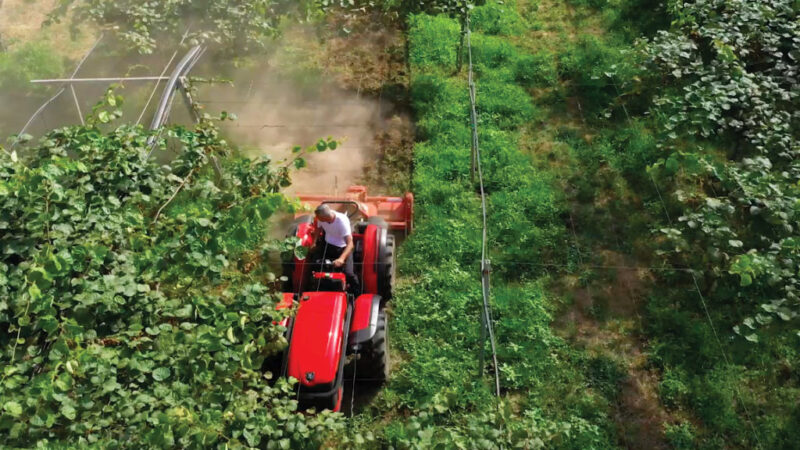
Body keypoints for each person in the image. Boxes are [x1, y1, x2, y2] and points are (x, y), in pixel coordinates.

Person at [312, 204, 360, 294]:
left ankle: (357, 292)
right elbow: (318, 228)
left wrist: (341, 259)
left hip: (343, 248)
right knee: (315, 265)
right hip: (327, 244)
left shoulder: (341, 222)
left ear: (325, 217)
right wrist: (314, 242)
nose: (317, 219)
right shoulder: (320, 218)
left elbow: (350, 244)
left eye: (319, 218)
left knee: (349, 273)